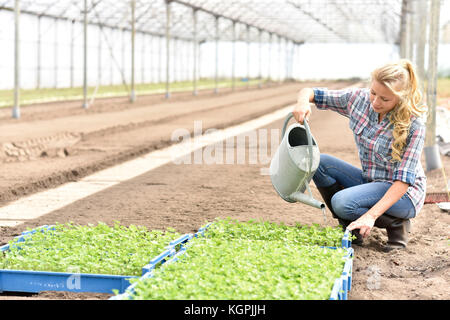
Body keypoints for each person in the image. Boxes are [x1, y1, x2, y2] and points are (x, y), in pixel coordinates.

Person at [293, 59, 427, 252]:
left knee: (341, 202)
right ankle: (352, 227)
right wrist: (302, 102)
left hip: (404, 194)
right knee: (319, 162)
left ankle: (396, 223)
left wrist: (371, 216)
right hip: (371, 181)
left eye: (385, 99)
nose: (375, 102)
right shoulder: (358, 99)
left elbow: (403, 182)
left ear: (401, 97)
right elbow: (311, 92)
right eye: (373, 93)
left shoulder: (413, 125)